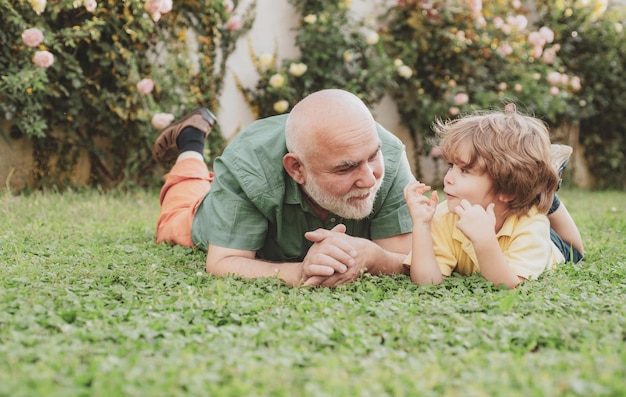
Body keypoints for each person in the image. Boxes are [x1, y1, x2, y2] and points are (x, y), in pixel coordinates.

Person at [153, 89, 415, 287]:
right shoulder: (248, 164)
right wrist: (300, 272)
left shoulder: (389, 155)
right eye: (345, 168)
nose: (369, 179)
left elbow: (405, 257)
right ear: (296, 169)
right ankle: (191, 142)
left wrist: (372, 257)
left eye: (372, 156)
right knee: (178, 212)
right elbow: (223, 261)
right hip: (216, 202)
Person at [402, 105, 584, 289]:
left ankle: (545, 190)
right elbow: (427, 282)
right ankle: (536, 181)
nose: (448, 178)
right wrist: (422, 225)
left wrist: (484, 240)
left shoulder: (531, 225)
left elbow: (509, 285)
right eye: (451, 166)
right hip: (511, 196)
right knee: (529, 189)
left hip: (553, 246)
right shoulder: (445, 216)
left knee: (575, 249)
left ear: (507, 191)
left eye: (464, 170)